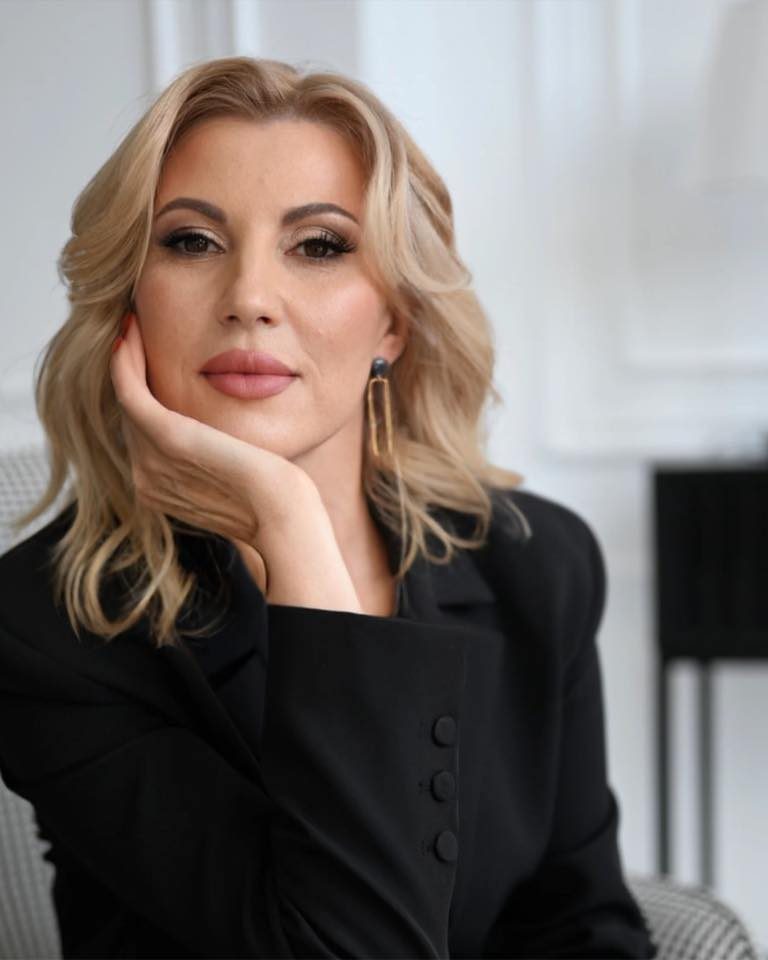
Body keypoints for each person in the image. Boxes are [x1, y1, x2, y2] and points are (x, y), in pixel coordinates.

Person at [0, 56, 657, 959]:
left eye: (318, 246)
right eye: (191, 241)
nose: (249, 299)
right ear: (129, 305)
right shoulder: (48, 627)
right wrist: (292, 525)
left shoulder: (536, 563)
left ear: (394, 322)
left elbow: (582, 927)